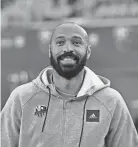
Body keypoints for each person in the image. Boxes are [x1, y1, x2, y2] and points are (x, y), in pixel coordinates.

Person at [1, 22, 138, 147]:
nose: (68, 48)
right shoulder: (22, 98)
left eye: (76, 43)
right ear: (50, 51)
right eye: (60, 43)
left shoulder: (111, 102)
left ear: (88, 51)